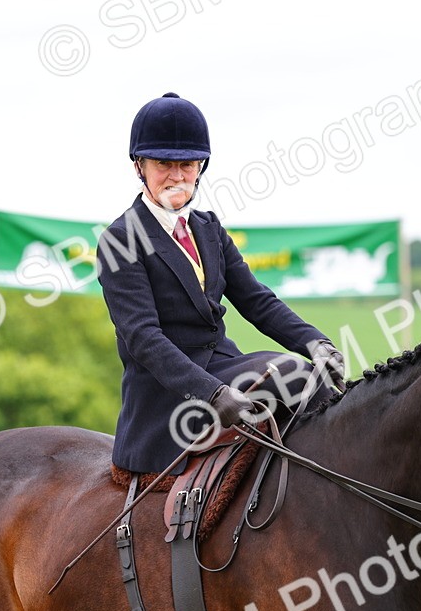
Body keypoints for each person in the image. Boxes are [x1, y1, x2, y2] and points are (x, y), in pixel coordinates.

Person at [97, 92, 344, 476]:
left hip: (225, 367)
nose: (177, 176)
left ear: (201, 168)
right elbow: (144, 338)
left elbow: (257, 301)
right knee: (289, 371)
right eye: (164, 164)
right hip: (167, 394)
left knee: (311, 378)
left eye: (187, 164)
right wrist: (211, 392)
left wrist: (315, 342)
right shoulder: (120, 241)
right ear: (139, 166)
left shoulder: (208, 228)